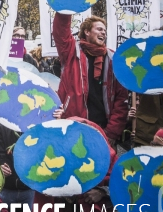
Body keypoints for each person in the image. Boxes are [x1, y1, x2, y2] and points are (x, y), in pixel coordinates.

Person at [52, 14, 129, 144]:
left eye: (105, 30)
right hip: (72, 126)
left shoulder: (114, 59)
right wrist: (65, 7)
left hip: (103, 130)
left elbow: (121, 99)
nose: (103, 33)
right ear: (87, 32)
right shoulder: (71, 51)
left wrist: (111, 132)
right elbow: (61, 31)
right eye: (99, 29)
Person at [0, 124, 34, 212]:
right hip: (7, 189)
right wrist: (1, 165)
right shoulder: (3, 127)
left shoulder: (36, 129)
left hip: (28, 189)